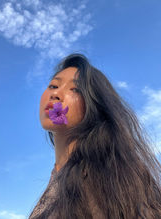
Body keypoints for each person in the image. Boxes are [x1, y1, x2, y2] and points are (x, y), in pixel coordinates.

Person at [29, 53, 161, 219]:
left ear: (94, 106)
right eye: (53, 86)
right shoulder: (58, 177)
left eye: (75, 89)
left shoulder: (106, 175)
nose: (55, 94)